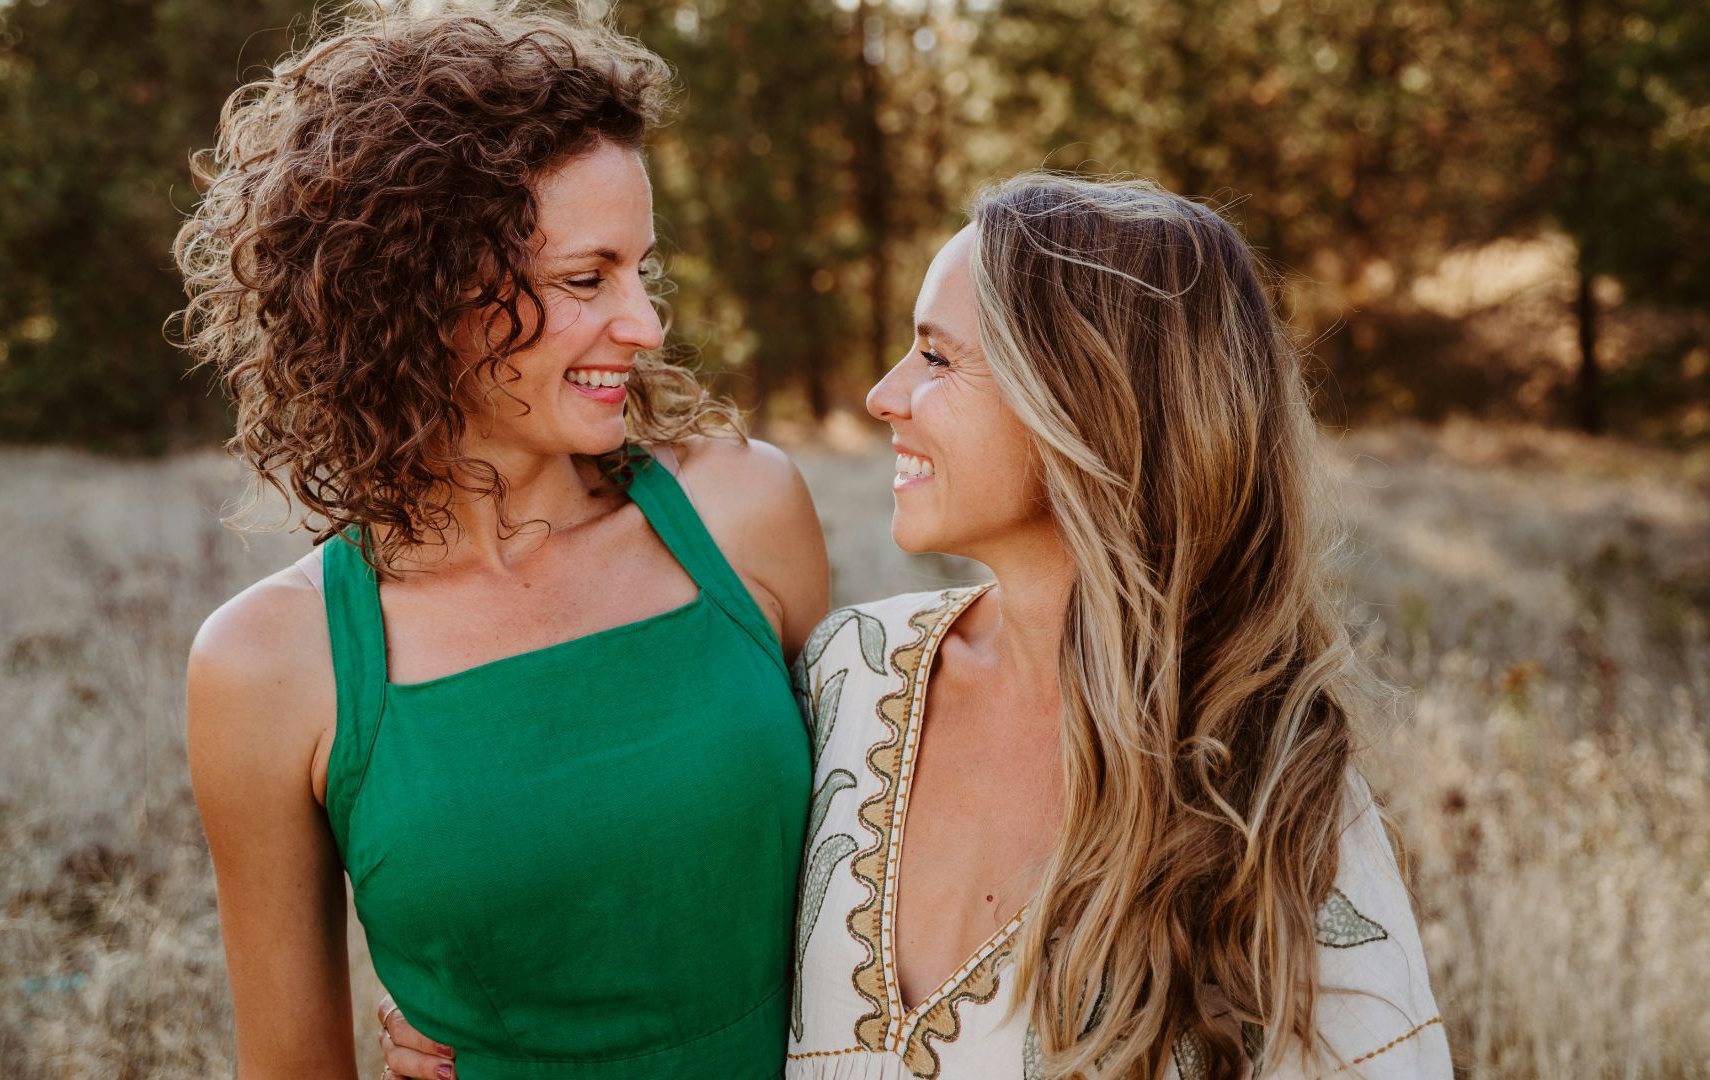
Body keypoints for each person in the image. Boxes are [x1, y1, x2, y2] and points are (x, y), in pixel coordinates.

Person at [379, 174, 1450, 1078]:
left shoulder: (1273, 796)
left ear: (1085, 404)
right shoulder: (852, 674)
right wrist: (485, 1003)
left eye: (936, 359)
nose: (886, 395)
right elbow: (662, 891)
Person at [172, 6, 829, 1079]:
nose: (647, 324)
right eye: (587, 278)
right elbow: (289, 1064)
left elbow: (885, 868)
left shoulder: (745, 513)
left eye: (641, 271)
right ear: (421, 291)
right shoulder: (268, 666)